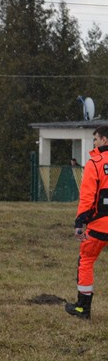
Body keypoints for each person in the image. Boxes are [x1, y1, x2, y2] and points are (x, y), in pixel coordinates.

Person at [66, 125, 108, 319]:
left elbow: (88, 196)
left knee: (86, 260)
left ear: (104, 140)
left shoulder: (95, 163)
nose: (94, 143)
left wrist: (79, 223)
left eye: (95, 139)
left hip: (99, 224)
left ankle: (83, 308)